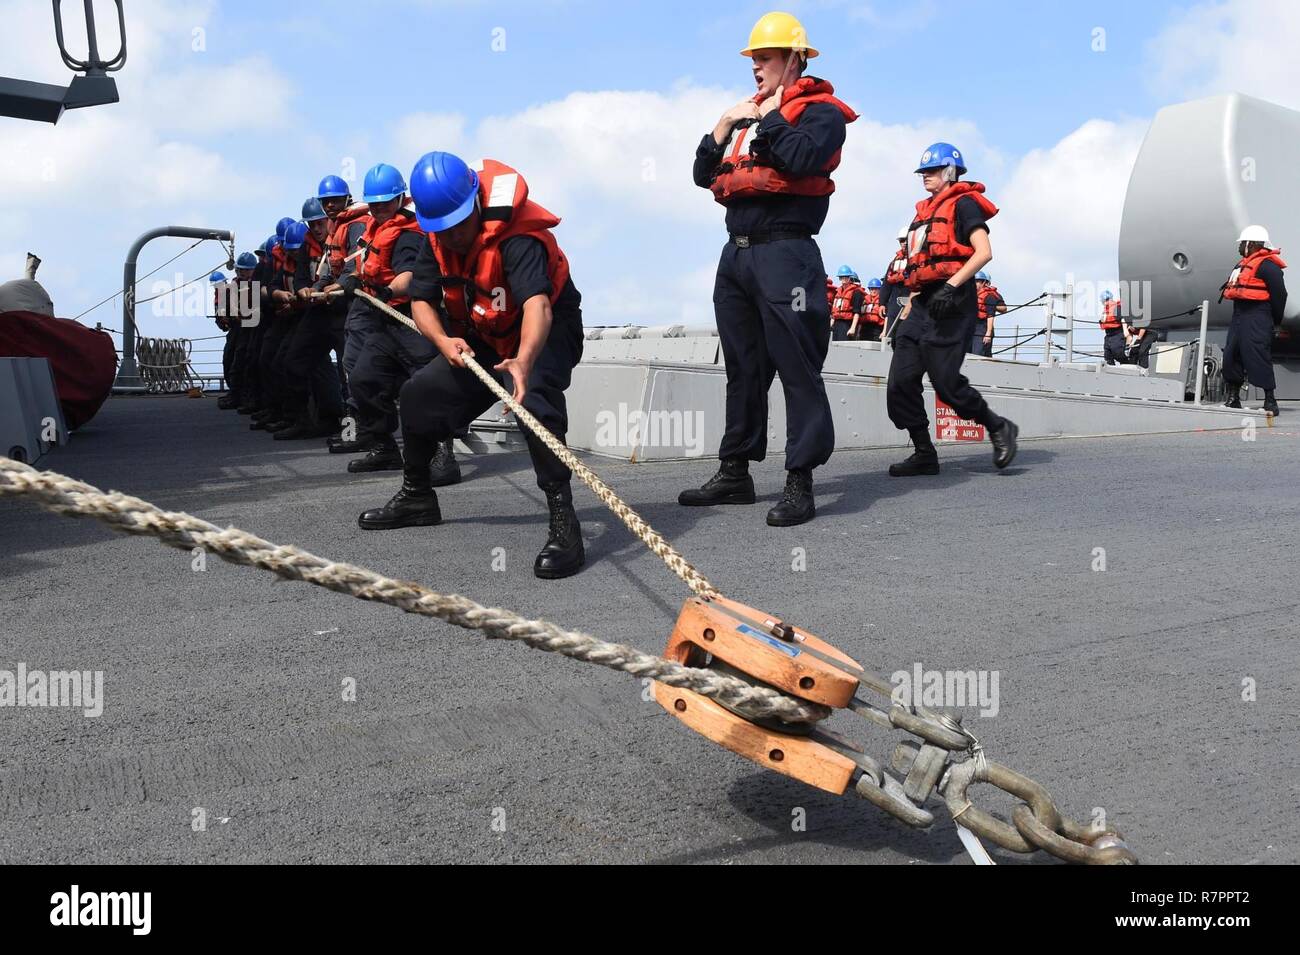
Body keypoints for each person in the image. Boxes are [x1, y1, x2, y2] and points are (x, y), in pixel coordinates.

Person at [358, 151, 587, 580]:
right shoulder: (436, 236)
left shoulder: (517, 238)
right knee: (418, 395)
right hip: (482, 332)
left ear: (476, 206)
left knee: (533, 402)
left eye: (458, 225)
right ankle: (417, 496)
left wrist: (523, 359)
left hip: (543, 331)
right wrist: (443, 340)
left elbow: (538, 305)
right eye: (441, 229)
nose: (452, 237)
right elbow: (422, 299)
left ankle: (563, 518)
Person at [679, 11, 857, 527]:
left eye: (765, 59)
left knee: (798, 368)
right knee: (743, 369)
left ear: (794, 59)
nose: (755, 69)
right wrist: (723, 125)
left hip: (787, 254)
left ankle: (800, 481)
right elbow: (700, 175)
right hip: (735, 256)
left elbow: (801, 159)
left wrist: (774, 114)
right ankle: (735, 471)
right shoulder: (746, 116)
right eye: (753, 60)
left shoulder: (822, 114)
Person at [885, 142, 1019, 475]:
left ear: (949, 171)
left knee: (945, 383)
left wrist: (951, 285)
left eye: (931, 171)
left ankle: (998, 426)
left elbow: (983, 251)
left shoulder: (964, 205)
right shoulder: (924, 212)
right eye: (923, 172)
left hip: (953, 300)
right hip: (922, 303)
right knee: (900, 382)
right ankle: (923, 452)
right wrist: (910, 306)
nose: (924, 177)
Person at [340, 163, 458, 480]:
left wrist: (386, 289)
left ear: (400, 199)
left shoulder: (408, 233)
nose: (378, 209)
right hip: (385, 322)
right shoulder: (374, 231)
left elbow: (410, 274)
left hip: (413, 320)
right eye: (374, 203)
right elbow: (365, 265)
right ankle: (384, 447)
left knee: (428, 388)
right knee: (363, 378)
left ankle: (444, 457)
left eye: (385, 203)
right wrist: (353, 280)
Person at [274, 198, 348, 439]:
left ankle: (355, 431)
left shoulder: (344, 236)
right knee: (294, 360)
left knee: (351, 370)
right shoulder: (307, 245)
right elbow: (300, 277)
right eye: (312, 225)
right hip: (317, 312)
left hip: (343, 311)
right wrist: (303, 290)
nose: (316, 229)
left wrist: (334, 290)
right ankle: (304, 420)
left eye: (320, 223)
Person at [1221, 225, 1287, 415]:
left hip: (1259, 314)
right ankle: (1233, 397)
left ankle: (1270, 399)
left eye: (1242, 243)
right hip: (1239, 314)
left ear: (1251, 244)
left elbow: (1280, 295)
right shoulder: (1240, 265)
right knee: (1231, 355)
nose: (1239, 247)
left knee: (1258, 354)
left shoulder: (1268, 266)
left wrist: (1275, 321)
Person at [971, 271, 1004, 357]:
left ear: (984, 283)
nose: (975, 284)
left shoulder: (989, 296)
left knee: (979, 355)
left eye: (978, 281)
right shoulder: (971, 295)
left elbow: (991, 315)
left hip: (982, 328)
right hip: (972, 328)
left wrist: (988, 334)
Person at [829, 266, 865, 341]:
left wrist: (853, 328)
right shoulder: (838, 292)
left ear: (850, 278)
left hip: (847, 324)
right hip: (836, 324)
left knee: (843, 347)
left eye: (846, 277)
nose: (844, 279)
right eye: (842, 277)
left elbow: (857, 312)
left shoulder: (856, 292)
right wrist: (831, 323)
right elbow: (834, 311)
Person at [1100, 290, 1126, 366]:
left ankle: (1128, 365)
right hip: (1108, 335)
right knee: (1107, 355)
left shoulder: (1116, 308)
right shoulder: (1106, 310)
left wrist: (1125, 332)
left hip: (1117, 334)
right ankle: (1111, 370)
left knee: (1118, 354)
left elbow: (1122, 318)